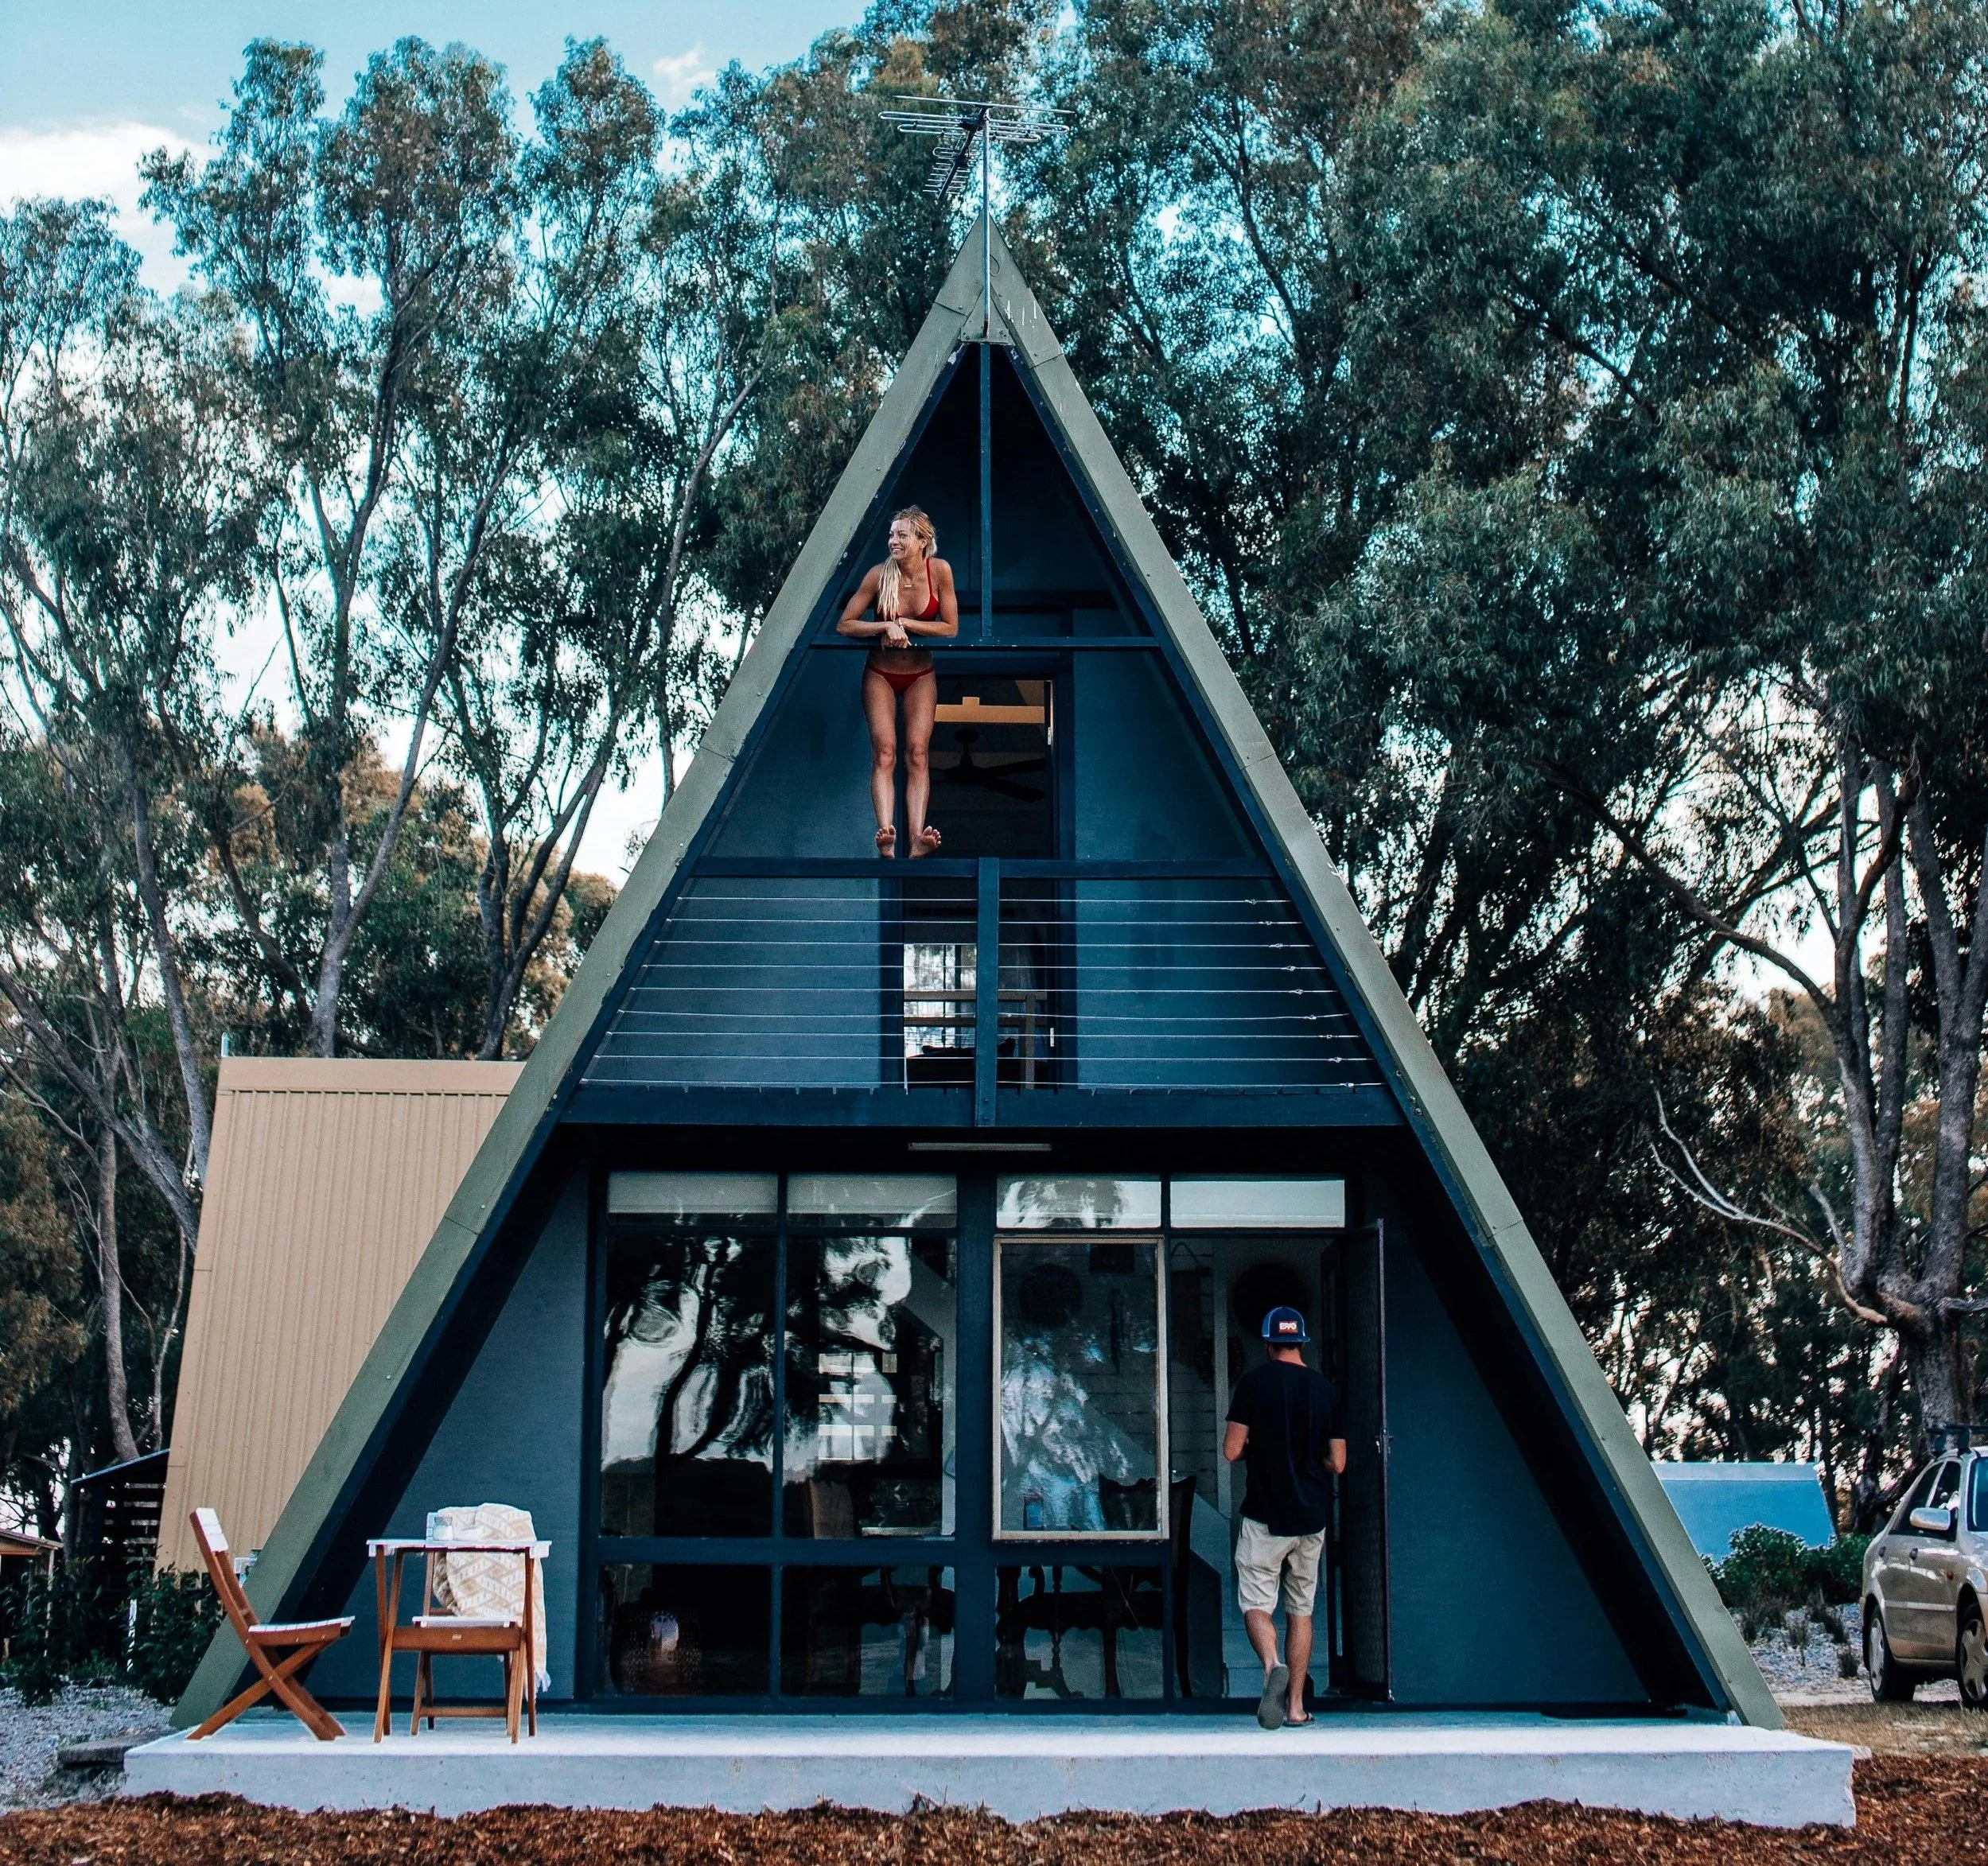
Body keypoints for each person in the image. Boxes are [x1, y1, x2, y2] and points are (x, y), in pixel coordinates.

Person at [1223, 1304, 1347, 1729]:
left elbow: (1231, 1450)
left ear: (1268, 1343)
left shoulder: (1253, 1384)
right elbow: (1339, 1461)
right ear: (1301, 1342)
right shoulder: (1326, 1390)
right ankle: (1295, 1708)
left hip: (1265, 1515)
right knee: (1301, 1610)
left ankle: (1272, 1663)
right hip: (1311, 1517)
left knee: (1257, 1605)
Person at [836, 506, 959, 856]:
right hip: (881, 674)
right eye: (891, 534)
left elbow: (950, 628)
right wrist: (884, 626)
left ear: (923, 540)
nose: (894, 541)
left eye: (902, 535)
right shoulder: (878, 575)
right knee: (886, 752)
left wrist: (905, 623)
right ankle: (887, 836)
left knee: (918, 754)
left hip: (920, 674)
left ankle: (917, 839)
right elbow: (845, 624)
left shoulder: (940, 572)